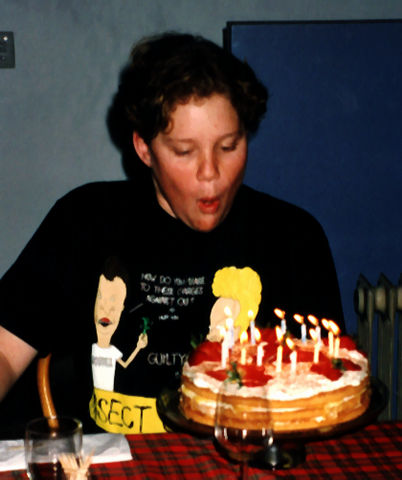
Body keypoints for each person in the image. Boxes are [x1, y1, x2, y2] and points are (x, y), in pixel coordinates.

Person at [0, 32, 345, 436]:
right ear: (144, 148)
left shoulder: (293, 237)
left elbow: (327, 390)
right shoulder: (85, 220)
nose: (210, 173)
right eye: (184, 151)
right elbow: (5, 351)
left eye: (228, 146)